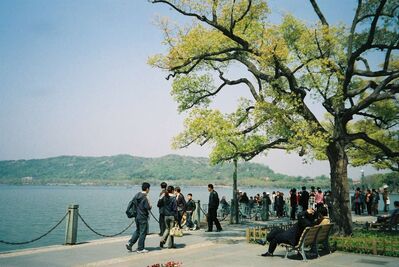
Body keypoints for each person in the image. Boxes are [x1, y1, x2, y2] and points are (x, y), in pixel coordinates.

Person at [126, 182, 152, 253]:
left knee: (138, 231)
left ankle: (130, 243)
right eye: (149, 189)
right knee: (143, 232)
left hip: (137, 216)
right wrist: (149, 201)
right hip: (143, 217)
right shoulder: (144, 197)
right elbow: (148, 207)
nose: (149, 190)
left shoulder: (137, 195)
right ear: (147, 189)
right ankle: (140, 248)